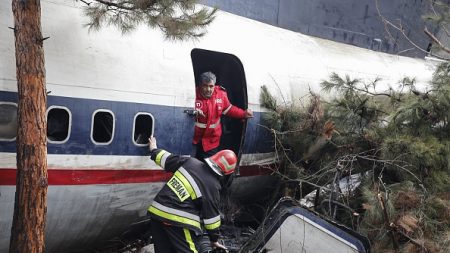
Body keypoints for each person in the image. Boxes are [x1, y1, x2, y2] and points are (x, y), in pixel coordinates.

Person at [147, 136, 237, 253]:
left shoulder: (190, 162)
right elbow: (211, 219)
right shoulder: (213, 186)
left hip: (156, 213)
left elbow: (166, 159)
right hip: (178, 220)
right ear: (226, 173)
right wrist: (214, 240)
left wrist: (153, 149)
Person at [193, 71, 253, 161]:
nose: (208, 89)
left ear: (214, 85)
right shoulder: (192, 94)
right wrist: (193, 111)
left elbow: (230, 109)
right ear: (200, 85)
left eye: (211, 86)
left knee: (208, 168)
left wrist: (243, 114)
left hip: (211, 141)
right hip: (194, 139)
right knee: (191, 165)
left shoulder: (221, 94)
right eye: (205, 86)